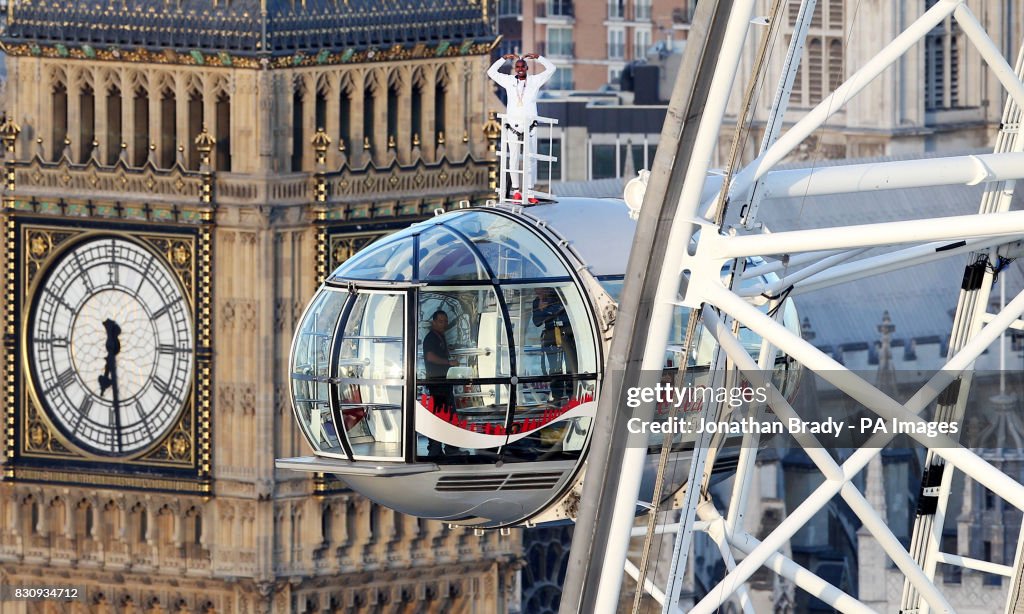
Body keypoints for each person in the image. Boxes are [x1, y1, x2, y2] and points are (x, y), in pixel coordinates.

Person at [487, 52, 556, 204]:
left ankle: (530, 191)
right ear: (514, 69)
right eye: (517, 67)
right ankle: (516, 191)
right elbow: (491, 72)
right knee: (513, 158)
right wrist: (503, 59)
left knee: (530, 159)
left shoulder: (534, 81)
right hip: (513, 126)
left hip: (530, 126)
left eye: (522, 66)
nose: (520, 69)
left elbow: (551, 69)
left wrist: (538, 57)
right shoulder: (509, 81)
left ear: (527, 68)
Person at [422, 310, 459, 456]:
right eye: (441, 321)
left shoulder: (439, 337)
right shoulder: (431, 338)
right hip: (438, 383)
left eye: (445, 321)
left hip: (442, 383)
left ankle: (445, 447)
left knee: (447, 414)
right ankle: (438, 447)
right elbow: (430, 357)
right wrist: (449, 362)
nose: (444, 324)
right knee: (443, 415)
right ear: (434, 322)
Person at [532, 288, 577, 400]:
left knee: (571, 366)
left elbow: (567, 315)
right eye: (537, 291)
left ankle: (572, 394)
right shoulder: (537, 302)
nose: (538, 293)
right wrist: (542, 310)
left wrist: (546, 311)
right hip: (551, 336)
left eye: (540, 290)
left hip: (567, 335)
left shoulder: (562, 298)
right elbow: (537, 322)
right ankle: (557, 397)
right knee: (554, 369)